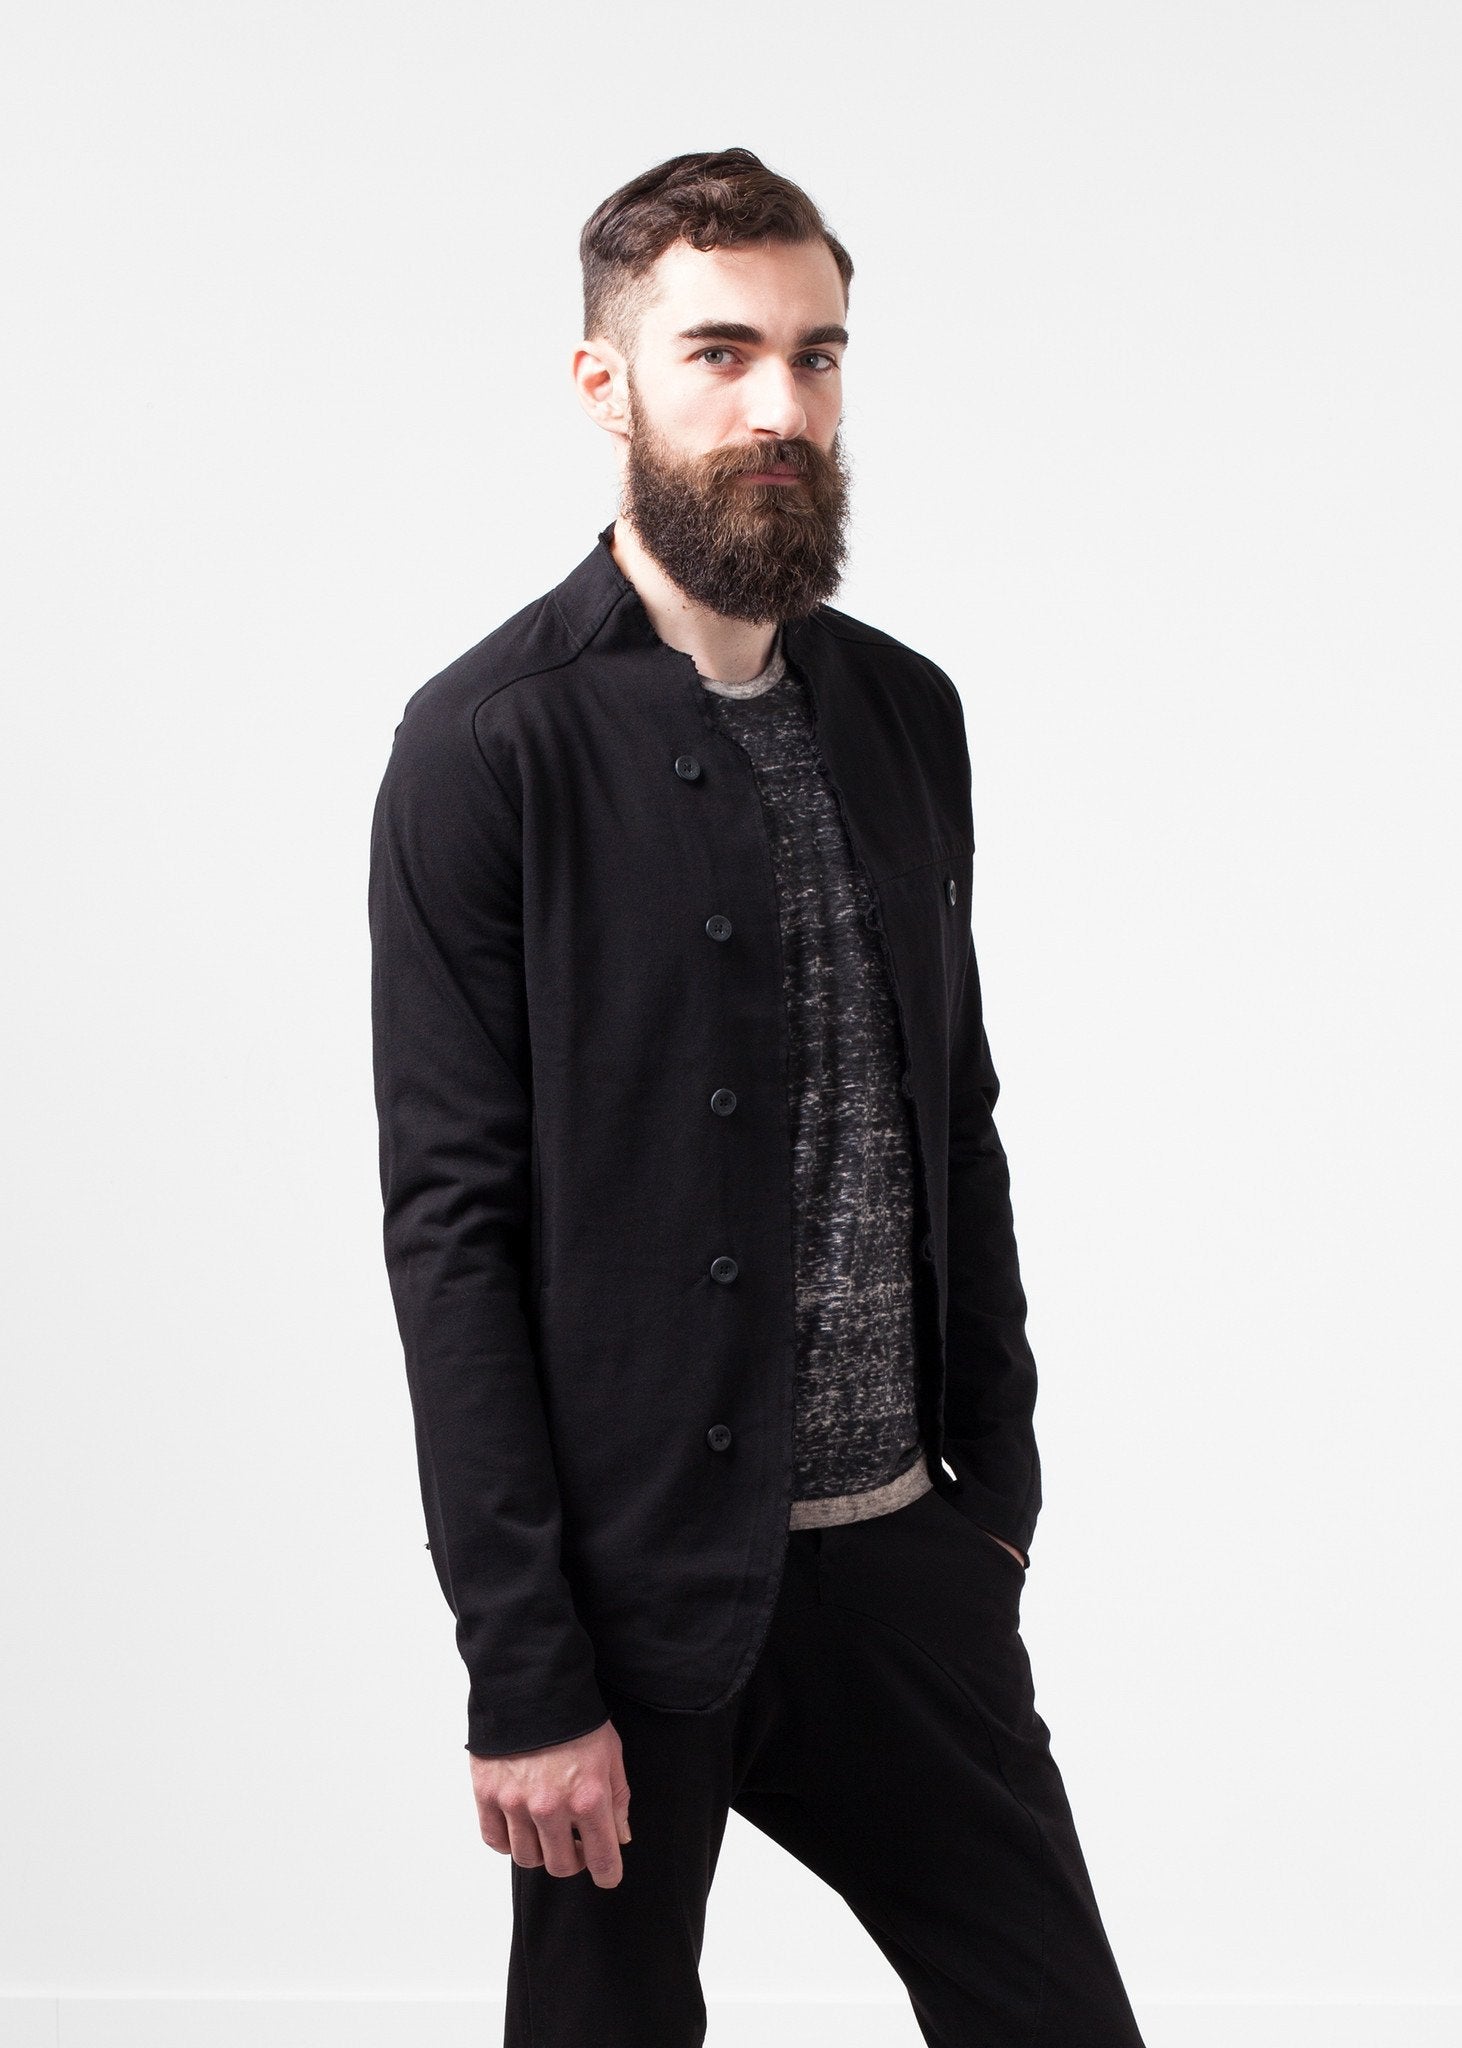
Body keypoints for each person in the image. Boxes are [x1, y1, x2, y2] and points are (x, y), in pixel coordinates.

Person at [369, 147, 1146, 2048]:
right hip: (632, 1604)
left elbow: (952, 1116)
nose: (777, 406)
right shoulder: (486, 747)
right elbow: (452, 1233)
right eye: (717, 353)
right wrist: (524, 1668)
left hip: (904, 1561)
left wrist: (994, 1495)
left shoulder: (904, 712)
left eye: (815, 354)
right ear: (605, 382)